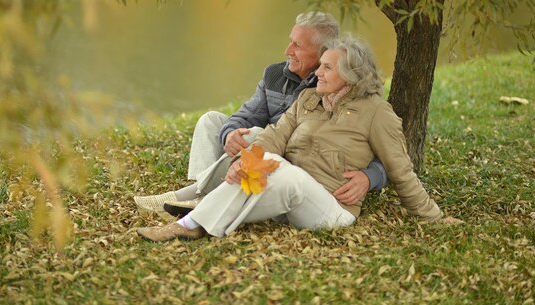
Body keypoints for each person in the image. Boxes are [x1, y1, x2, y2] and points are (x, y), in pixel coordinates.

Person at [136, 37, 443, 241]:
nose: (317, 73)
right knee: (262, 163)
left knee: (277, 169)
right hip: (287, 199)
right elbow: (274, 136)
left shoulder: (377, 112)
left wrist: (433, 217)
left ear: (350, 76)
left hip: (331, 209)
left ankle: (191, 219)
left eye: (326, 67)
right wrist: (242, 163)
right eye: (319, 65)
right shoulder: (308, 99)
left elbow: (401, 169)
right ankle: (192, 221)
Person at [133, 12, 388, 213]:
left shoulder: (337, 87)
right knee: (213, 121)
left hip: (291, 164)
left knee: (256, 136)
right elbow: (245, 115)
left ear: (322, 54)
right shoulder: (275, 74)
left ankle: (197, 199)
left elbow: (381, 151)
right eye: (290, 41)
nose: (288, 50)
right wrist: (230, 134)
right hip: (263, 152)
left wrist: (370, 177)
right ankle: (201, 195)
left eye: (297, 45)